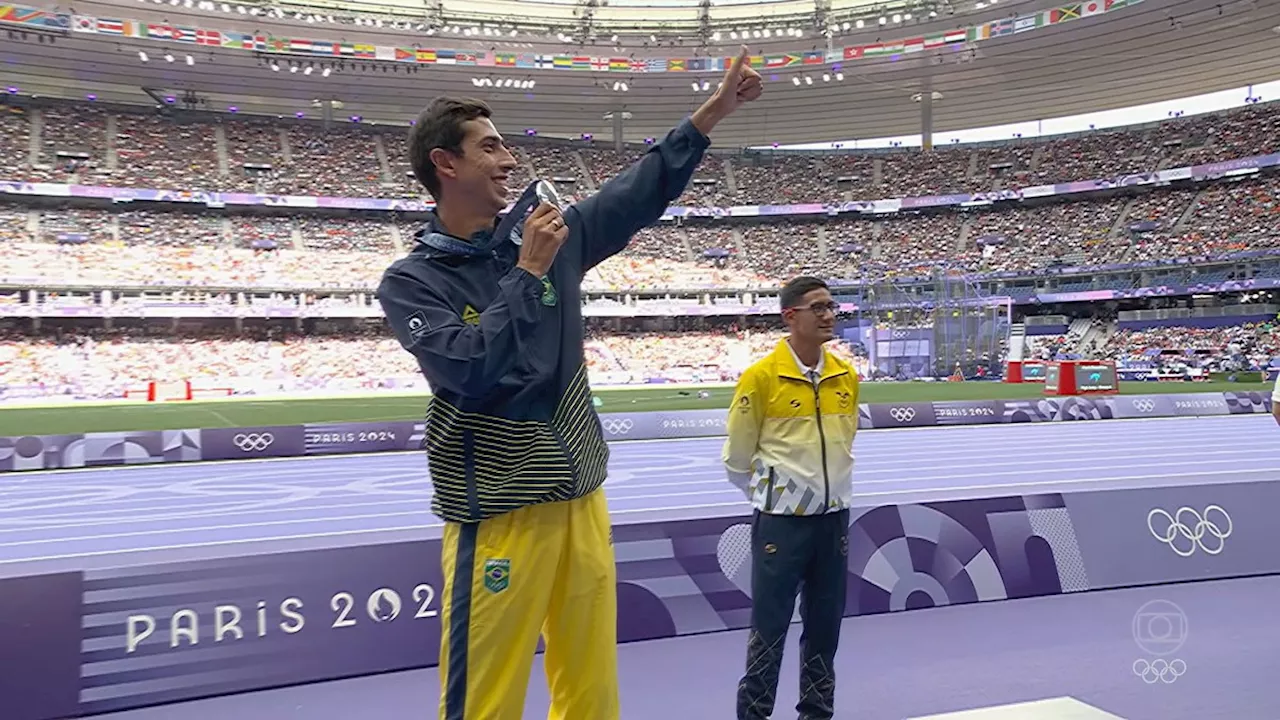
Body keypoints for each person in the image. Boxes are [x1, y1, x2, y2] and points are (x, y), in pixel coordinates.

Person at [376, 48, 762, 720]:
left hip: (582, 497)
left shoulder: (551, 238)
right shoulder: (412, 281)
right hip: (498, 515)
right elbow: (468, 370)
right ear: (446, 164)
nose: (509, 160)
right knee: (485, 699)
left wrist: (714, 111)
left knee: (590, 689)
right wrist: (526, 274)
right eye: (490, 147)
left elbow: (637, 190)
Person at [722, 276, 860, 720]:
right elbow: (738, 457)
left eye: (831, 307)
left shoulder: (845, 374)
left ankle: (817, 714)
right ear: (790, 316)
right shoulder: (760, 378)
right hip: (782, 524)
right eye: (817, 308)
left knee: (825, 628)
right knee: (770, 628)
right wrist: (776, 497)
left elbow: (846, 441)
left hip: (834, 521)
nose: (828, 315)